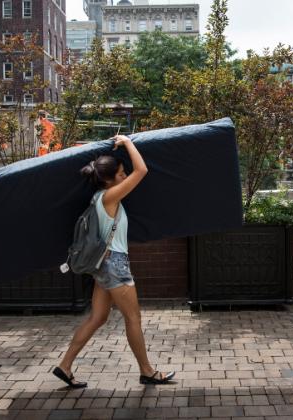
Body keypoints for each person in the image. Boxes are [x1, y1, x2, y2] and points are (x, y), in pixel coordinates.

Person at [53, 135, 175, 388]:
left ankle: (64, 366)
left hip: (103, 265)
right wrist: (128, 142)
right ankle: (147, 371)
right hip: (114, 265)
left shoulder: (99, 198)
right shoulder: (109, 196)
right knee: (133, 319)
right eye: (120, 173)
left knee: (98, 318)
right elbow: (142, 170)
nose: (124, 175)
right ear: (109, 179)